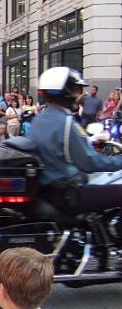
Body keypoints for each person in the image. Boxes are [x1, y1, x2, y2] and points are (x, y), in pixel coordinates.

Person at [30, 66, 122, 212]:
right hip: (66, 194)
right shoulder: (66, 122)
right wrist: (119, 161)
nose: (80, 95)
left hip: (47, 191)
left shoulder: (38, 120)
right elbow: (89, 163)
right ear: (65, 92)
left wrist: (89, 141)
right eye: (76, 90)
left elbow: (57, 147)